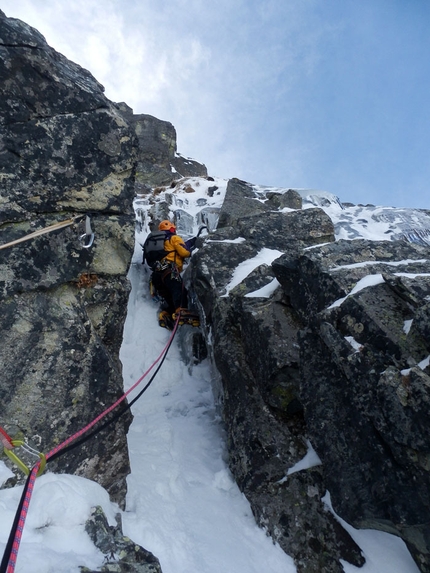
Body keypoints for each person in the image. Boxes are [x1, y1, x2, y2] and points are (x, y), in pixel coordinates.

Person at [150, 220, 199, 330]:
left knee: (170, 297)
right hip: (169, 271)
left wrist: (193, 242)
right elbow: (184, 252)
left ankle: (165, 315)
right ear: (171, 229)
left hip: (157, 276)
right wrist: (193, 252)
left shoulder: (161, 242)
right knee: (179, 290)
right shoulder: (174, 238)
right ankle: (182, 311)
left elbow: (181, 246)